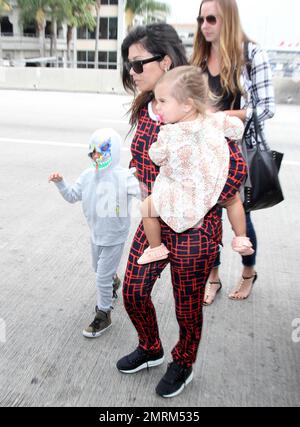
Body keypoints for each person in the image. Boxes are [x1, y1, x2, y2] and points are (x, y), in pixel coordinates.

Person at [116, 22, 247, 399]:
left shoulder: (196, 108)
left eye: (138, 64)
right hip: (156, 217)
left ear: (166, 61)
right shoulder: (149, 108)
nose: (132, 72)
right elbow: (141, 163)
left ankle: (183, 362)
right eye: (129, 66)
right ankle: (150, 347)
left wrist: (203, 197)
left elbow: (234, 168)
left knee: (186, 307)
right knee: (135, 291)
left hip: (195, 226)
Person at [191, 0, 275, 303]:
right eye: (201, 19)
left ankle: (248, 272)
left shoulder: (251, 54)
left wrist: (225, 117)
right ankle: (212, 277)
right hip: (204, 150)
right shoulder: (199, 58)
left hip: (238, 150)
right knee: (208, 216)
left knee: (242, 215)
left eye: (211, 18)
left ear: (228, 18)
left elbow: (266, 108)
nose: (205, 25)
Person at [137, 65, 254, 266]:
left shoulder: (169, 133)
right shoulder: (214, 119)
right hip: (213, 184)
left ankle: (155, 248)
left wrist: (158, 143)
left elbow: (156, 156)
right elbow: (237, 129)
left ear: (187, 105)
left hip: (184, 193)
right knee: (233, 200)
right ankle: (241, 237)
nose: (157, 107)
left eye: (163, 101)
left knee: (147, 208)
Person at [48, 128, 140, 338]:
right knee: (98, 269)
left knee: (101, 276)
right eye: (93, 154)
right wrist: (60, 183)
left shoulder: (124, 177)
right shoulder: (88, 175)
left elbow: (145, 195)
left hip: (115, 236)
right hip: (96, 234)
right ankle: (113, 281)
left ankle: (104, 314)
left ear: (114, 153)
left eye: (102, 154)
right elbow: (72, 196)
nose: (97, 159)